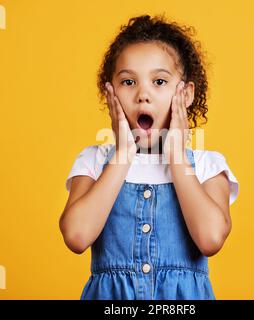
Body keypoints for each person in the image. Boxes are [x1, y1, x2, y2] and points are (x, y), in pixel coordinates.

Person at [59, 14, 239, 300]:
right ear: (110, 94)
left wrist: (177, 157)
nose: (143, 94)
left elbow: (210, 239)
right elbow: (77, 236)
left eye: (159, 81)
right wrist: (122, 154)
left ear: (186, 93)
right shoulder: (94, 162)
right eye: (128, 82)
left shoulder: (207, 166)